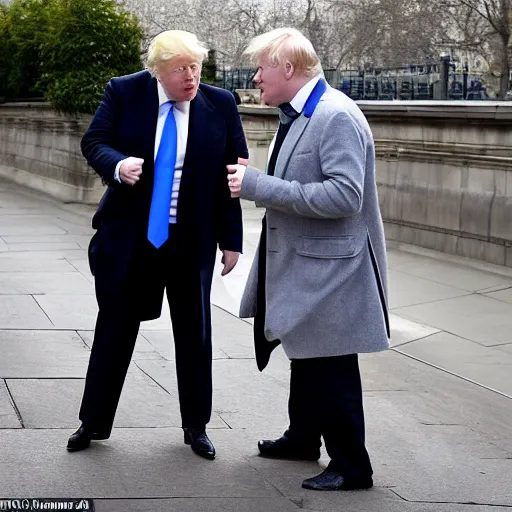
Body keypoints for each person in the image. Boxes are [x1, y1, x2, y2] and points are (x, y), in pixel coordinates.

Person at [67, 30, 248, 460]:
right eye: (180, 70)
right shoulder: (125, 91)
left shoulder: (220, 103)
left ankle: (197, 427)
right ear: (157, 72)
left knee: (194, 334)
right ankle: (91, 423)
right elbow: (94, 141)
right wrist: (117, 164)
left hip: (191, 240)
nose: (190, 78)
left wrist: (231, 240)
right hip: (132, 238)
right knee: (114, 329)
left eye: (196, 68)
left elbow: (233, 175)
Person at [227, 28, 390, 490]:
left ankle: (352, 467)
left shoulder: (335, 116)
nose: (255, 77)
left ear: (288, 69)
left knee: (331, 365)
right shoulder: (301, 112)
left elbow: (345, 196)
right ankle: (302, 439)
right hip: (310, 261)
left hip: (334, 267)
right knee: (306, 351)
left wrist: (259, 186)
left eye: (261, 68)